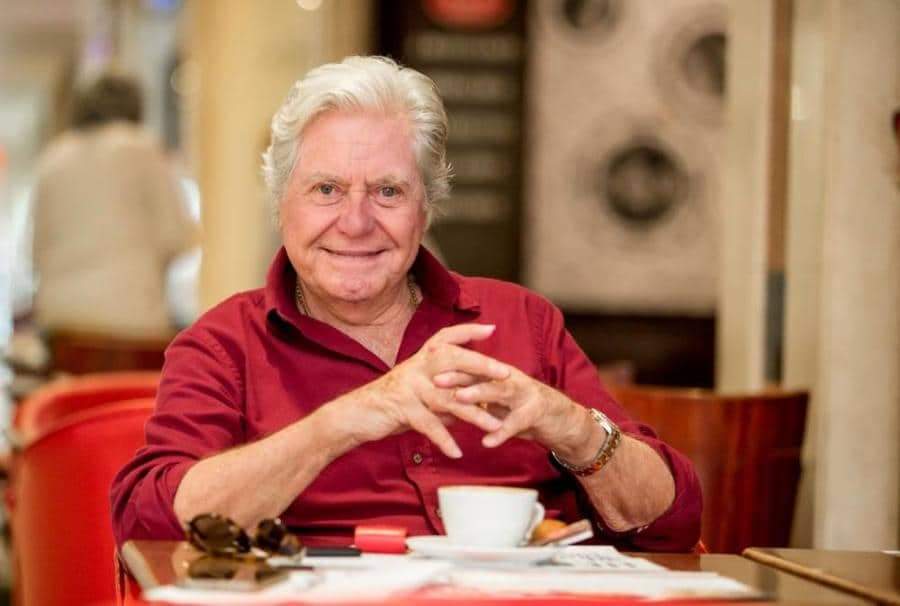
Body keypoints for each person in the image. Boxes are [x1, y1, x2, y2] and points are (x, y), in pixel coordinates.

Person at [111, 56, 701, 552]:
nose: (356, 222)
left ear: (427, 208)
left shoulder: (523, 322)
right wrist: (341, 423)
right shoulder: (222, 345)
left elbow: (672, 521)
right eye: (326, 189)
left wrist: (571, 427)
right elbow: (148, 522)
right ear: (281, 203)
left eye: (388, 191)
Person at [30, 72, 195, 339]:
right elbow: (176, 238)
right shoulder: (144, 149)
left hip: (60, 327)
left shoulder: (53, 158)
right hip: (132, 326)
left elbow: (35, 254)